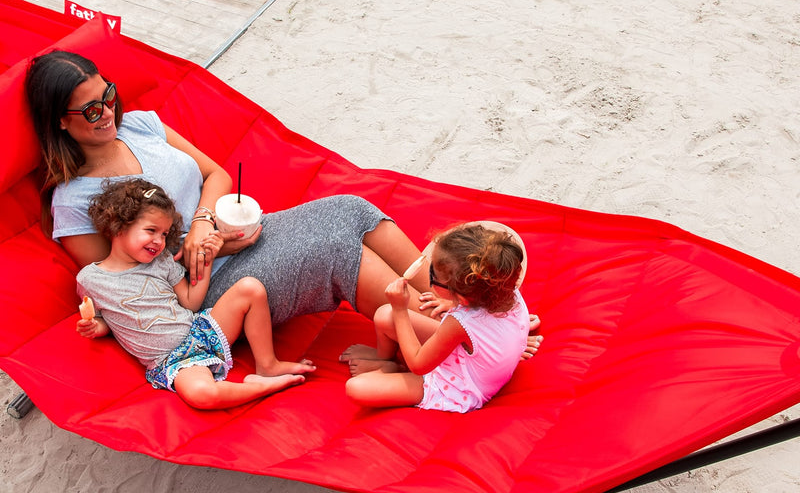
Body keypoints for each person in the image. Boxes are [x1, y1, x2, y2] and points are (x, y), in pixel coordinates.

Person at [26, 49, 541, 350]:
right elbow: (124, 285)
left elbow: (215, 173)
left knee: (350, 209)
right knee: (336, 250)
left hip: (227, 235)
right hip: (206, 292)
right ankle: (468, 342)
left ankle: (460, 305)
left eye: (108, 95)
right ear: (59, 123)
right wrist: (200, 250)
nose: (106, 112)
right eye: (89, 110)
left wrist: (206, 222)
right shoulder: (74, 200)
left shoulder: (141, 126)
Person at [76, 179, 315, 408]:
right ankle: (262, 387)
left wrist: (207, 257)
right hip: (174, 361)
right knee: (202, 394)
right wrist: (96, 327)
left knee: (250, 288)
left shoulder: (161, 261)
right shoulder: (91, 280)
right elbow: (106, 318)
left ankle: (267, 365)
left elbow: (191, 302)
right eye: (151, 230)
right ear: (118, 225)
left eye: (164, 234)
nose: (159, 241)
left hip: (201, 330)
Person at [345, 223, 541, 411]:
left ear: (462, 296)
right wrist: (453, 302)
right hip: (467, 354)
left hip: (459, 385)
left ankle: (396, 367)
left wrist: (400, 309)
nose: (429, 276)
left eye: (434, 276)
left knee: (357, 388)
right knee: (384, 314)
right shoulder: (503, 286)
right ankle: (385, 359)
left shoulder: (458, 324)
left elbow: (418, 364)